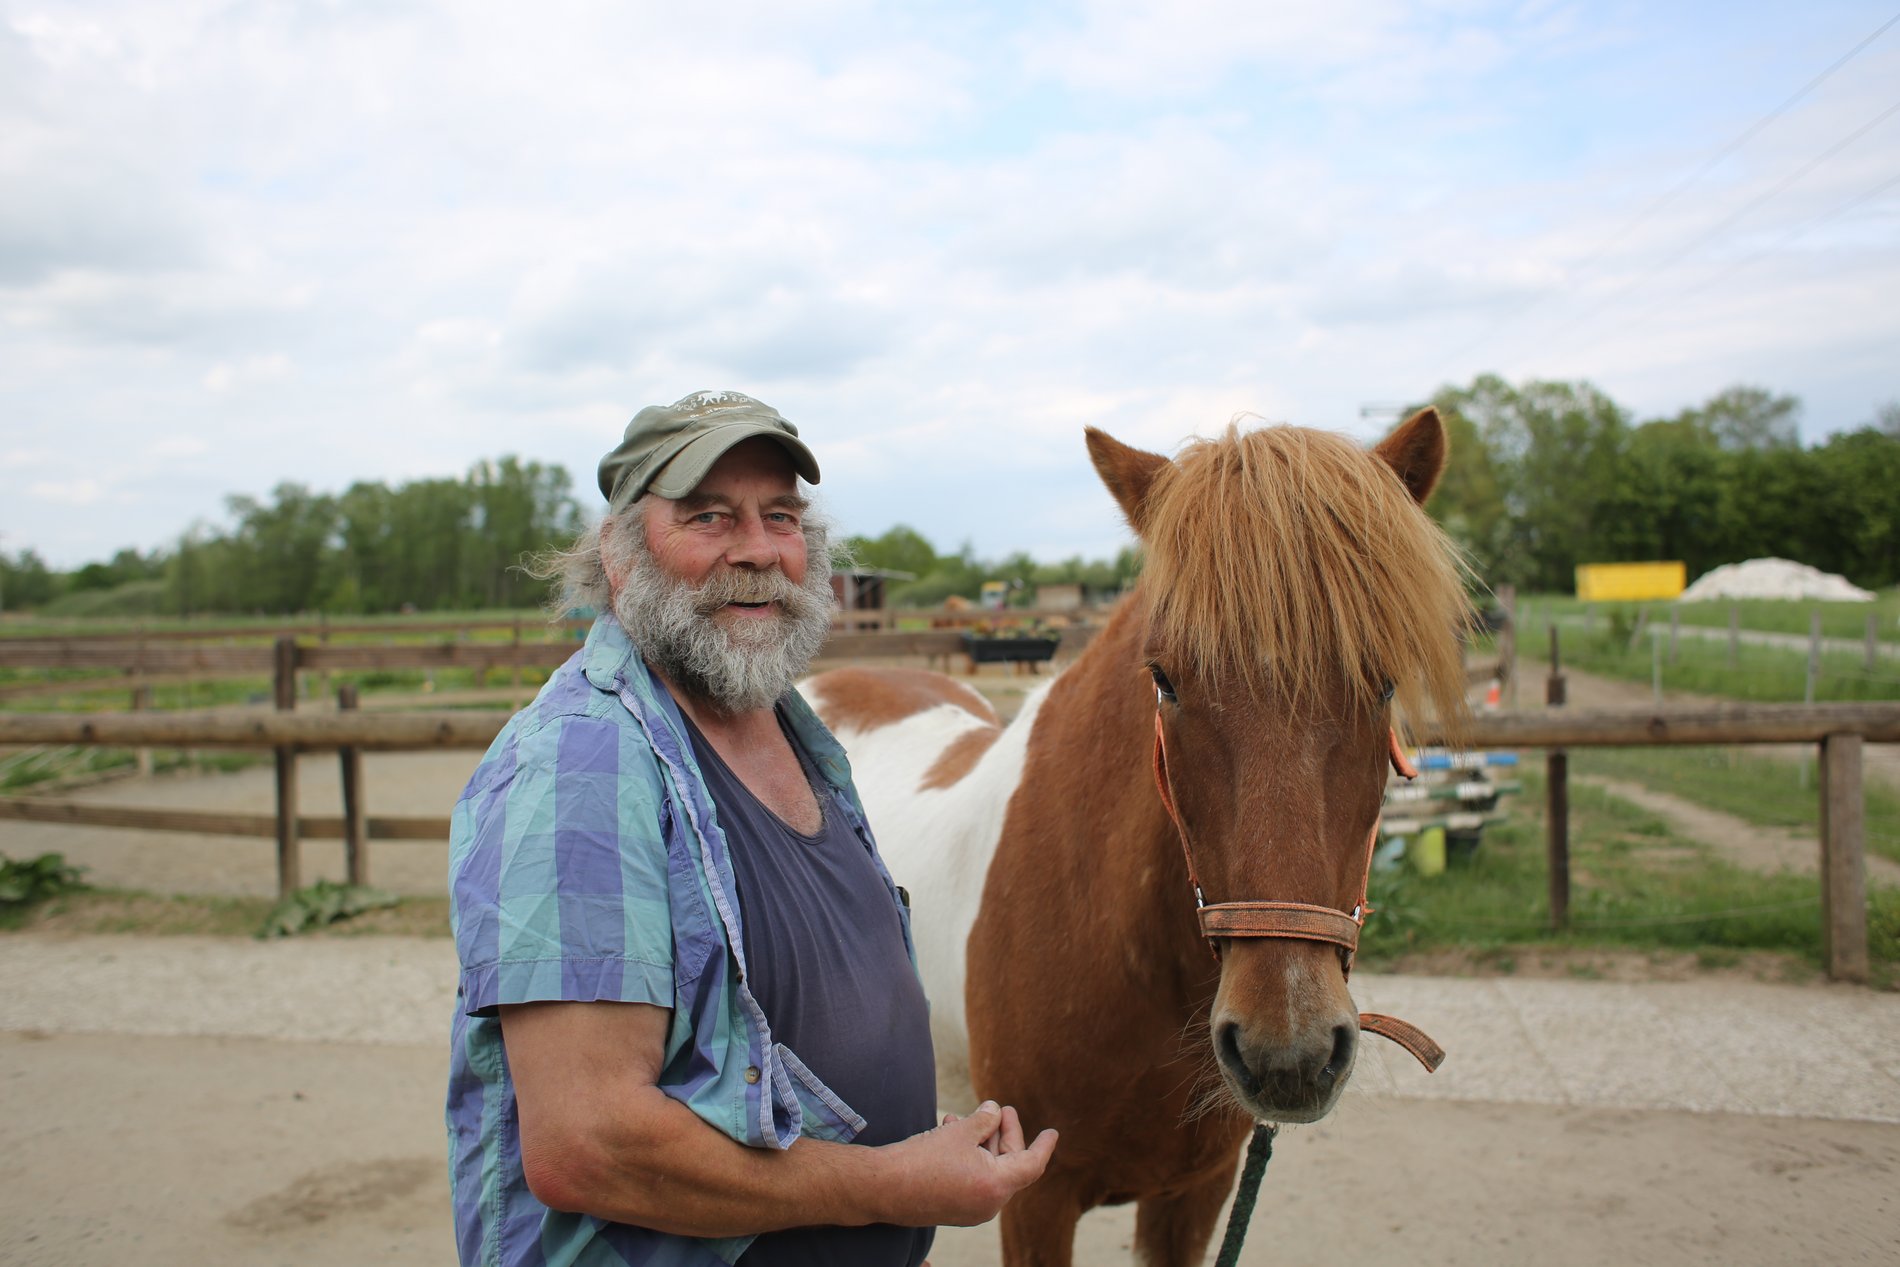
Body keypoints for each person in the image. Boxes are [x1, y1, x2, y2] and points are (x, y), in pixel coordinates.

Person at [446, 390, 1056, 1267]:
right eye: (709, 517)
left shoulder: (784, 725)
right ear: (620, 557)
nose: (760, 551)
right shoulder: (579, 768)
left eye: (780, 516)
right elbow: (590, 1143)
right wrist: (893, 1182)